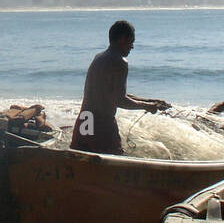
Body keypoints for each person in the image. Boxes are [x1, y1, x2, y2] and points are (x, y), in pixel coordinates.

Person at [70, 20, 169, 155]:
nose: (132, 46)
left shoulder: (99, 57)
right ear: (122, 39)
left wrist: (150, 101)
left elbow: (112, 93)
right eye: (131, 41)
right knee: (115, 165)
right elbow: (119, 100)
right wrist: (147, 106)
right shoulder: (119, 62)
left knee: (80, 163)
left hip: (85, 119)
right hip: (101, 124)